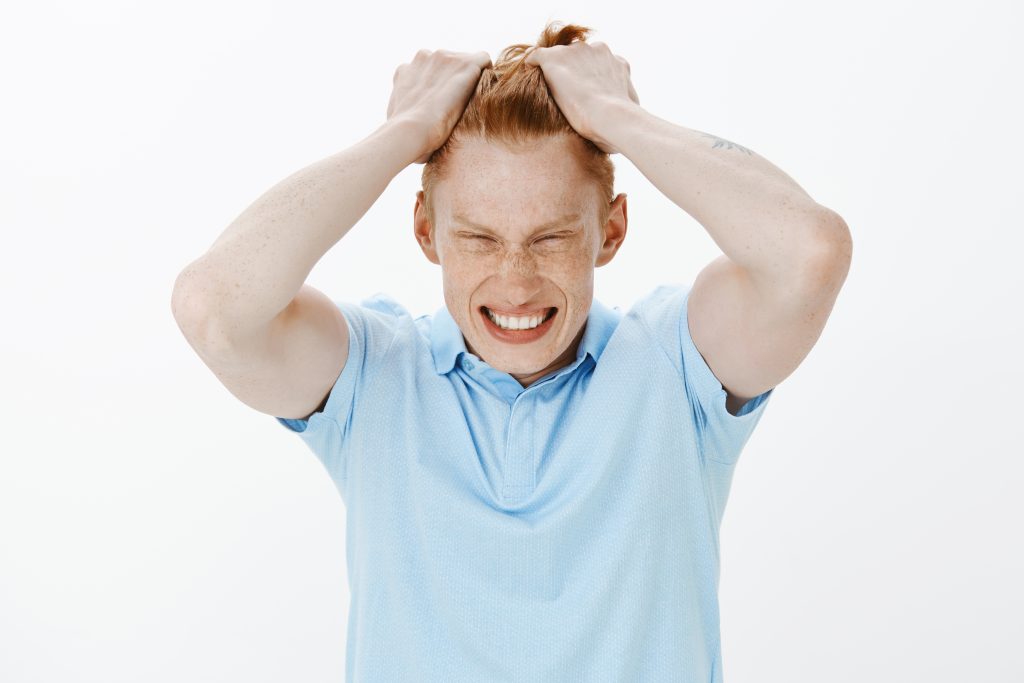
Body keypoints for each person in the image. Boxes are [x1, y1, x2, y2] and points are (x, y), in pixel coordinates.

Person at [171, 20, 851, 683]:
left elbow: (810, 253)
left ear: (611, 231)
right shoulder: (374, 376)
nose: (517, 282)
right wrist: (403, 132)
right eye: (480, 238)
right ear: (426, 230)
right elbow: (212, 307)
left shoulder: (676, 366)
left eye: (551, 237)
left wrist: (619, 117)